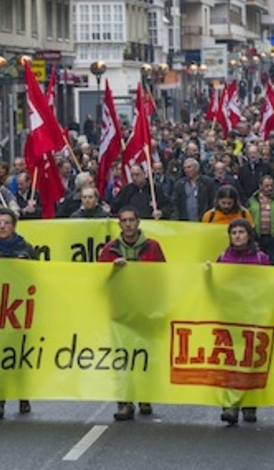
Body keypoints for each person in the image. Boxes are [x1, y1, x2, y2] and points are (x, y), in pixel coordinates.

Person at [98, 206, 166, 421]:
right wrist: (112, 269)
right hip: (120, 310)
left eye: (131, 220)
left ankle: (144, 396)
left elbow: (162, 275)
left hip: (145, 309)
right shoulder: (109, 250)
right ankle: (124, 402)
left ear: (138, 222)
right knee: (122, 357)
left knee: (144, 355)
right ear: (119, 224)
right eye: (124, 221)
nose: (128, 224)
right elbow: (98, 279)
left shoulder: (153, 247)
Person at [0, 208, 37, 421]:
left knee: (18, 355)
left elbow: (39, 272)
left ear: (14, 226)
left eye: (7, 223)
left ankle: (22, 394)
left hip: (18, 309)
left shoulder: (24, 247)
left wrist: (25, 264)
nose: (2, 226)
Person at [213, 220, 269, 426]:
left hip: (252, 316)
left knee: (250, 360)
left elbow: (268, 285)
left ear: (249, 235)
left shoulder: (260, 258)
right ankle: (230, 405)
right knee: (230, 361)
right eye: (234, 232)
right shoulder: (223, 257)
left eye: (241, 232)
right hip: (230, 316)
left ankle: (249, 404)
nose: (237, 236)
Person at [246, 175, 274, 266]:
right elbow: (246, 217)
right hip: (257, 236)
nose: (270, 188)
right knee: (258, 262)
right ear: (260, 186)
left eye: (271, 186)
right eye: (267, 186)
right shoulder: (252, 200)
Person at [171, 158, 217, 222]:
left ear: (197, 168)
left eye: (189, 167)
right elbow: (175, 203)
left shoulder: (207, 182)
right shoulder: (179, 184)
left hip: (204, 220)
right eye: (185, 168)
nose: (186, 170)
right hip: (185, 221)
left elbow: (213, 200)